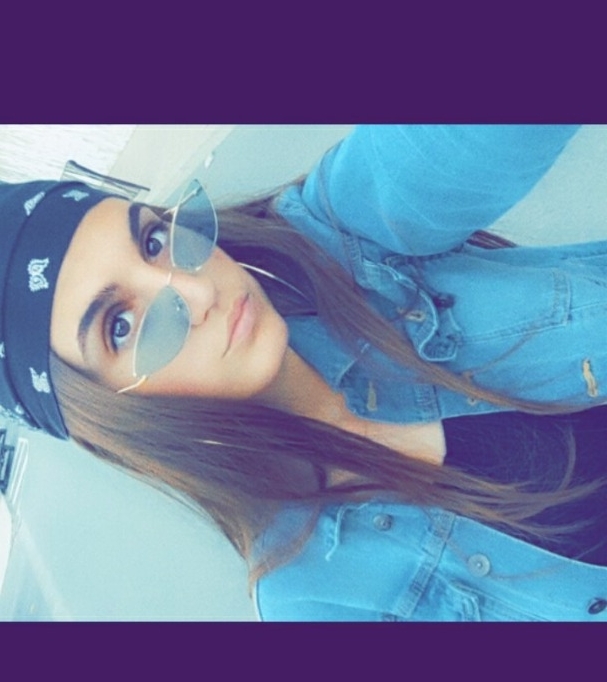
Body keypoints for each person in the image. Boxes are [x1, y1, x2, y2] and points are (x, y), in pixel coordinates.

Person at [2, 125, 607, 622]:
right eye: (121, 326)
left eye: (155, 241)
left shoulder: (340, 244)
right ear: (115, 416)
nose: (198, 290)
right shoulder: (323, 599)